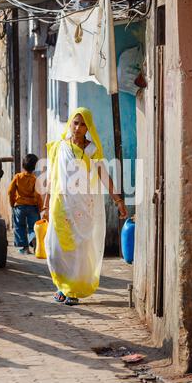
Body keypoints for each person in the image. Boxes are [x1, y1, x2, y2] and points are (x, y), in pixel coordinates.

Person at [42, 107, 128, 306]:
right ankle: (62, 285)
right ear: (70, 123)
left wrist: (118, 200)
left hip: (83, 207)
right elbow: (51, 178)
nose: (78, 127)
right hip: (60, 205)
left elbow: (104, 176)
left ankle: (72, 290)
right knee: (56, 249)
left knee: (78, 249)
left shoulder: (91, 150)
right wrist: (45, 204)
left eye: (83, 124)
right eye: (75, 122)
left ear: (88, 128)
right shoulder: (59, 147)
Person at [8, 154, 43, 254]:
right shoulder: (35, 179)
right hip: (32, 206)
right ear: (34, 167)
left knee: (19, 226)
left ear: (23, 165)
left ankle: (24, 248)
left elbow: (10, 191)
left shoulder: (18, 177)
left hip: (19, 206)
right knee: (33, 227)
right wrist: (40, 208)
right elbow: (38, 195)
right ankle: (34, 240)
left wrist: (12, 203)